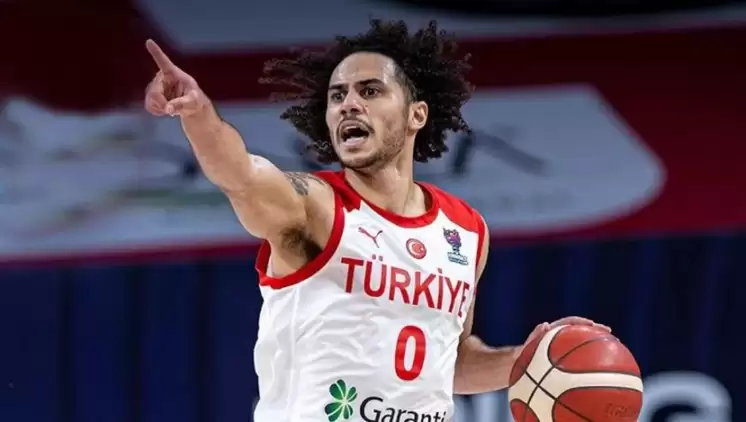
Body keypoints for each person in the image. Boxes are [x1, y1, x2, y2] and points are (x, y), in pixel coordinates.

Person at [143, 19, 609, 422]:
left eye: (370, 91)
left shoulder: (465, 230)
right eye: (337, 96)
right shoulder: (315, 207)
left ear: (416, 114)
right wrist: (199, 114)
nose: (349, 104)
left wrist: (529, 360)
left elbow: (451, 363)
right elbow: (240, 175)